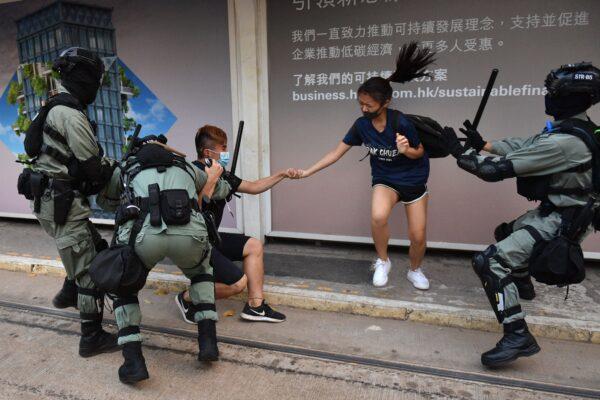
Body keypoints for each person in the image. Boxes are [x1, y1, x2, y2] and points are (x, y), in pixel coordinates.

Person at [441, 62, 600, 367]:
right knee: (506, 233)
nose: (547, 98)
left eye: (553, 93)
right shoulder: (578, 128)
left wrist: (459, 152)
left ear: (570, 97)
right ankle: (522, 283)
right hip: (563, 210)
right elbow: (526, 145)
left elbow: (491, 171)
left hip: (563, 220)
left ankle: (516, 333)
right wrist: (483, 143)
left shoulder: (567, 142)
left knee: (489, 261)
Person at [296, 42, 435, 289]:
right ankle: (383, 261)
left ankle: (415, 270)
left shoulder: (401, 122)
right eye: (361, 103)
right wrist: (307, 171)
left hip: (414, 179)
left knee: (418, 235)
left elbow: (420, 151)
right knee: (378, 216)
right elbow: (336, 152)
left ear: (386, 103)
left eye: (368, 105)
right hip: (385, 179)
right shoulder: (361, 125)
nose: (363, 108)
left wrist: (406, 150)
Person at [97, 138, 232, 383]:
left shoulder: (127, 166)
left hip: (145, 234)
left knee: (124, 286)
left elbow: (105, 201)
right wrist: (217, 175)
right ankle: (208, 343)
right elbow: (221, 189)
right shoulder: (187, 167)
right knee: (201, 273)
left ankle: (133, 362)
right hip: (189, 233)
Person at [17, 47, 118, 357]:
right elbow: (92, 166)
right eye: (95, 80)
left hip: (49, 201)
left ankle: (67, 292)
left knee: (90, 245)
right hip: (62, 202)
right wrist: (114, 169)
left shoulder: (51, 105)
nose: (97, 88)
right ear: (84, 78)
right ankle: (91, 337)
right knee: (89, 268)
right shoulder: (71, 115)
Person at [175, 125, 299, 323]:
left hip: (211, 238)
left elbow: (254, 186)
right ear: (208, 152)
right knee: (237, 284)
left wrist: (282, 174)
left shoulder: (223, 175)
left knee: (254, 245)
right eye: (223, 148)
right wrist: (210, 181)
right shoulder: (191, 174)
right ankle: (187, 298)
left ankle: (256, 307)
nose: (226, 152)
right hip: (192, 241)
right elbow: (192, 212)